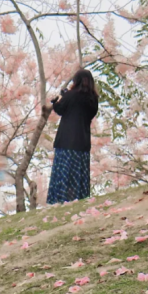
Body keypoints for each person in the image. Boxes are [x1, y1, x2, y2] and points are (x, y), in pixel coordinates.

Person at [46, 68, 99, 204]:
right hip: (82, 143)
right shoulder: (93, 99)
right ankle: (79, 199)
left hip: (66, 141)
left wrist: (57, 101)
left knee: (64, 174)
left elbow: (60, 109)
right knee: (78, 174)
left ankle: (60, 200)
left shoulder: (71, 95)